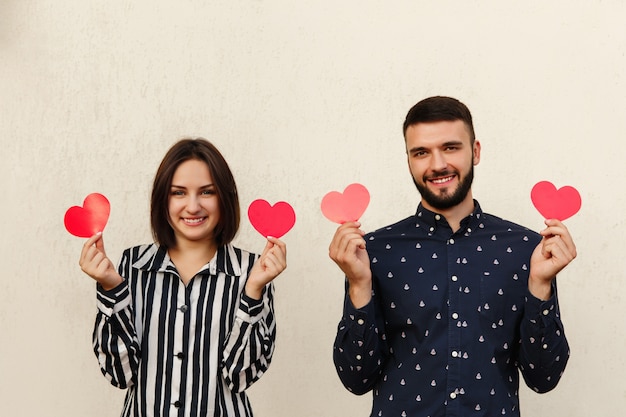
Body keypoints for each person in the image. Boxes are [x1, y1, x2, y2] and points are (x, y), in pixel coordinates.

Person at [329, 96, 576, 417]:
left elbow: (543, 378)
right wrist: (358, 285)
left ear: (475, 152)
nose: (437, 164)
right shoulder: (372, 252)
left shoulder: (526, 250)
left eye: (450, 147)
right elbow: (356, 378)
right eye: (421, 152)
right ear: (408, 160)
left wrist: (541, 284)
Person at [79, 138, 287, 417]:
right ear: (162, 198)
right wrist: (110, 288)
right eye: (178, 193)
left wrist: (252, 292)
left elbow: (241, 377)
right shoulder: (132, 266)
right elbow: (119, 374)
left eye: (206, 192)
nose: (192, 206)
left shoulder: (253, 271)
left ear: (224, 197)